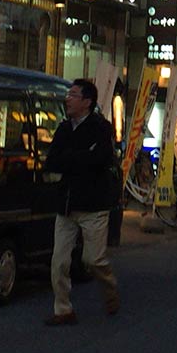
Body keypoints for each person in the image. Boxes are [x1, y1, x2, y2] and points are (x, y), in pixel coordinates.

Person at [43, 79, 120, 326]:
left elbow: (101, 159)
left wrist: (72, 159)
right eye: (68, 94)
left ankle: (110, 290)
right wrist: (80, 158)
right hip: (66, 204)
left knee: (92, 260)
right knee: (59, 261)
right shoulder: (65, 129)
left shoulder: (101, 128)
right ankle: (63, 309)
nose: (68, 98)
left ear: (87, 102)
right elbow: (52, 161)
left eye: (74, 95)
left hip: (94, 205)